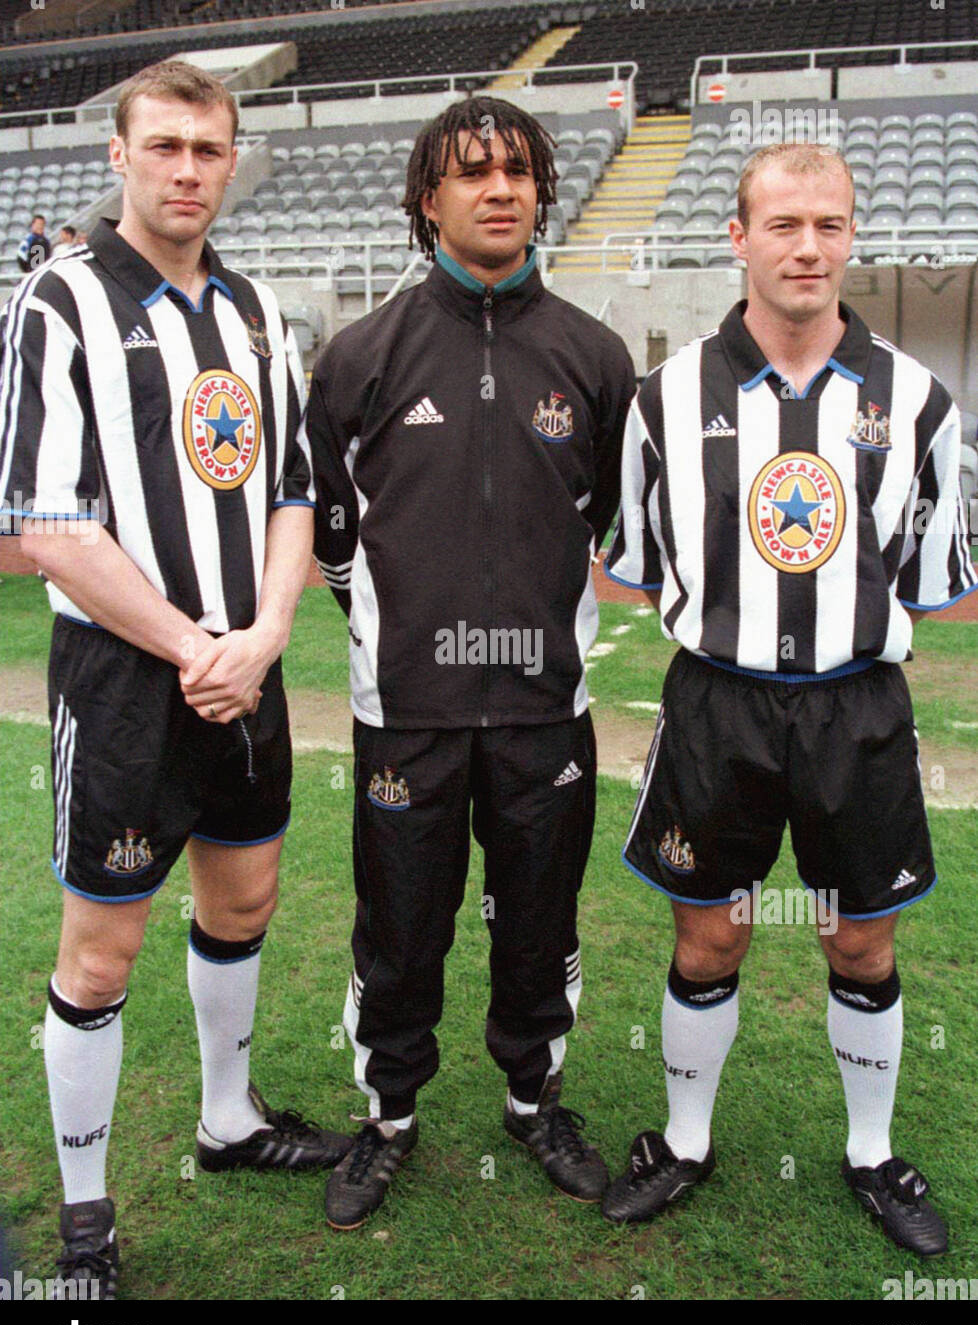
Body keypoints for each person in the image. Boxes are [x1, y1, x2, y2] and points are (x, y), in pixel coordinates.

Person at [0, 60, 350, 1300]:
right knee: (101, 953)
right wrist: (195, 646)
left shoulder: (254, 311)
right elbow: (45, 520)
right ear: (120, 155)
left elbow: (297, 490)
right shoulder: (60, 300)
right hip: (127, 678)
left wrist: (257, 633)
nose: (188, 169)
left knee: (243, 900)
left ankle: (227, 1118)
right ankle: (86, 1219)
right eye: (166, 146)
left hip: (243, 662)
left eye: (209, 149)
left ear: (230, 160)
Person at [602, 143, 977, 1254]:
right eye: (783, 224)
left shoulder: (918, 402)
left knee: (861, 946)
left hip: (858, 710)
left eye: (829, 223)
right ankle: (684, 1140)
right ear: (739, 237)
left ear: (853, 234)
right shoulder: (664, 398)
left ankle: (870, 1153)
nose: (807, 245)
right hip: (717, 704)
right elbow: (631, 559)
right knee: (709, 936)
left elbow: (933, 585)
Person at [307, 96, 635, 1230]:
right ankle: (389, 1113)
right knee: (401, 924)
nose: (501, 189)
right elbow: (336, 544)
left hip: (547, 711)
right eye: (473, 172)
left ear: (541, 187)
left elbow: (607, 529)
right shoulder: (359, 355)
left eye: (518, 171)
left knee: (539, 917)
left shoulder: (594, 356)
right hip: (407, 711)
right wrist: (400, 642)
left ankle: (533, 1098)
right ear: (428, 197)